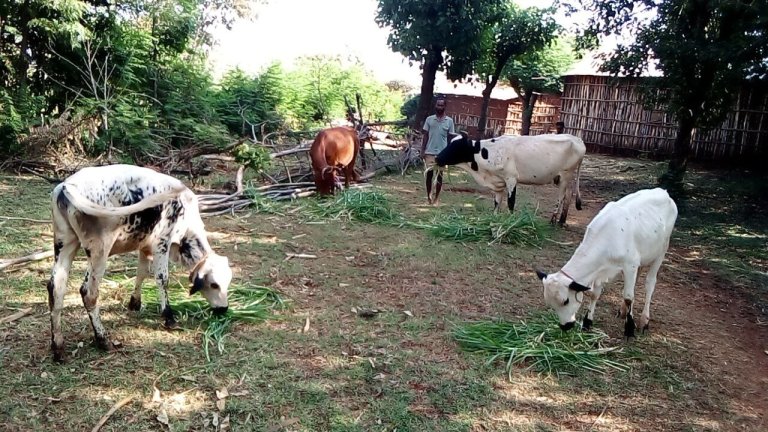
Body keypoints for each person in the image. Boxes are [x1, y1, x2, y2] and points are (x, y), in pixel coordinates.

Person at [421, 98, 455, 205]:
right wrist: (423, 150)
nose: (439, 107)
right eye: (438, 105)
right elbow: (425, 135)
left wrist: (450, 153)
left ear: (445, 107)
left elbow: (450, 138)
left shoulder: (449, 121)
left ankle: (436, 199)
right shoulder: (429, 120)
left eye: (441, 105)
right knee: (429, 175)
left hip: (442, 153)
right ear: (435, 106)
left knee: (439, 176)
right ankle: (429, 197)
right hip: (430, 152)